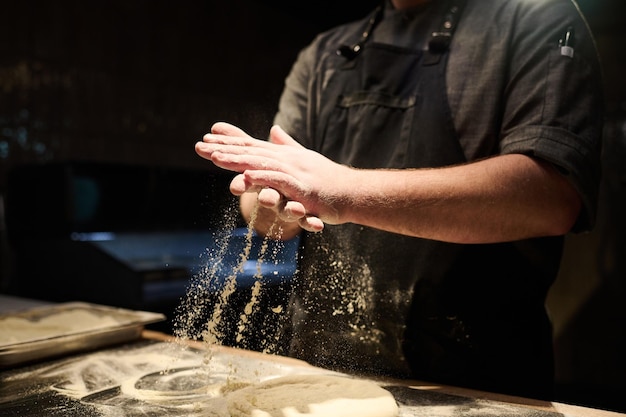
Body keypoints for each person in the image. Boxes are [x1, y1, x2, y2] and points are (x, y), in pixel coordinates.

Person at [195, 0, 604, 400]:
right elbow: (265, 211)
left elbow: (550, 196)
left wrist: (342, 190)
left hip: (476, 386)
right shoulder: (324, 54)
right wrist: (268, 200)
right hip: (320, 375)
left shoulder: (538, 18)